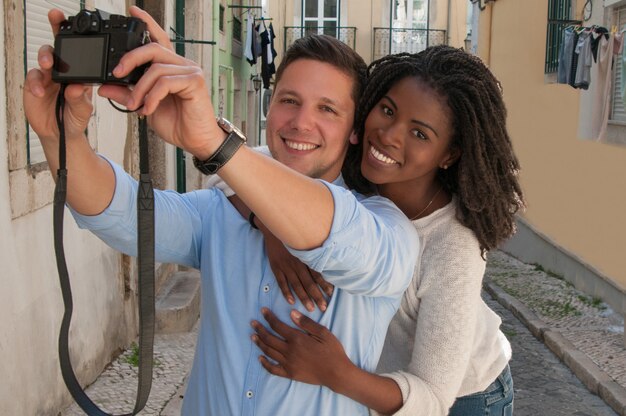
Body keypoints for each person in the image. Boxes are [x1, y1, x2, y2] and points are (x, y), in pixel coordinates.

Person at [23, 7, 420, 416]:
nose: (302, 122)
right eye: (289, 100)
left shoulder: (388, 228)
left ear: (355, 129)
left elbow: (335, 233)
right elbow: (123, 215)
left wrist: (215, 143)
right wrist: (60, 137)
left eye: (327, 109)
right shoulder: (223, 211)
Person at [249, 46, 525, 416]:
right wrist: (271, 224)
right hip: (376, 385)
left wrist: (335, 373)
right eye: (388, 110)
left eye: (420, 133)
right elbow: (238, 170)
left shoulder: (452, 246)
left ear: (449, 154)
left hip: (466, 398)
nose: (389, 135)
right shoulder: (350, 169)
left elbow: (433, 397)